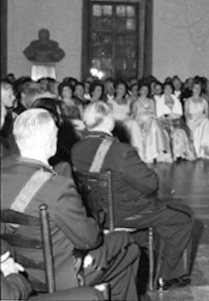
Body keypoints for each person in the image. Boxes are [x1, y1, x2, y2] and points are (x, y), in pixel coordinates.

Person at [0, 109, 140, 301]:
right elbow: (89, 240)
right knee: (126, 244)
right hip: (61, 276)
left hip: (18, 271)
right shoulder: (57, 186)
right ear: (48, 140)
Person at [71, 102, 195, 290]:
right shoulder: (121, 151)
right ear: (109, 121)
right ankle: (168, 276)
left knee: (166, 213)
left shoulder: (77, 149)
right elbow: (150, 184)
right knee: (183, 217)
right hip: (127, 213)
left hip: (96, 214)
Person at [129, 82, 172, 163]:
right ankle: (151, 153)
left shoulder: (151, 101)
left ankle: (157, 151)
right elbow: (134, 114)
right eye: (143, 90)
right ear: (139, 91)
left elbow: (155, 114)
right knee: (151, 124)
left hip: (151, 119)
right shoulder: (135, 103)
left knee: (154, 124)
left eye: (147, 90)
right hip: (140, 121)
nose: (145, 92)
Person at [155, 81, 195, 161]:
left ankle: (181, 153)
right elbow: (159, 115)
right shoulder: (160, 101)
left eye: (170, 89)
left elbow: (180, 113)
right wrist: (168, 117)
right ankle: (173, 154)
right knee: (168, 132)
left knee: (180, 131)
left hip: (176, 121)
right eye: (166, 89)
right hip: (164, 122)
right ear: (163, 90)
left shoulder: (176, 99)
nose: (168, 90)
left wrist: (173, 116)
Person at [184, 81, 209, 159]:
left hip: (202, 120)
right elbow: (186, 114)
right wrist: (195, 117)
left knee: (206, 123)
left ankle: (205, 146)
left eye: (199, 88)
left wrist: (201, 117)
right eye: (195, 88)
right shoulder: (188, 101)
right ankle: (203, 148)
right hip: (192, 121)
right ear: (192, 89)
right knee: (204, 124)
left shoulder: (204, 101)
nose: (197, 90)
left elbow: (207, 115)